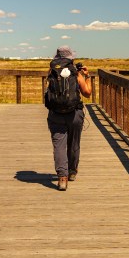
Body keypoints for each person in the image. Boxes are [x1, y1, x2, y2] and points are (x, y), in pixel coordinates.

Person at [46, 46, 92, 191]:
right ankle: (72, 172)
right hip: (75, 114)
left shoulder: (52, 72)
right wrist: (87, 76)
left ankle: (62, 178)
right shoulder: (75, 73)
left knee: (59, 145)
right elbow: (87, 93)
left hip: (55, 114)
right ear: (71, 58)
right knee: (73, 143)